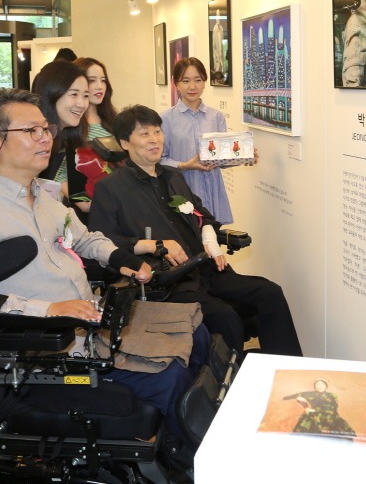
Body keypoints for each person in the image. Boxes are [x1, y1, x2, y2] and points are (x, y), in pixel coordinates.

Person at [0, 89, 207, 464]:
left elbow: (85, 238)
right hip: (46, 350)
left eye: (45, 129)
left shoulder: (43, 198)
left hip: (90, 325)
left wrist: (123, 259)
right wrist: (47, 309)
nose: (45, 138)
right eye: (31, 131)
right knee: (170, 377)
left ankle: (182, 445)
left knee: (196, 329)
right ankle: (182, 460)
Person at [89, 105, 302, 358]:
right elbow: (102, 243)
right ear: (125, 142)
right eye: (144, 134)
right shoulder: (111, 188)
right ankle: (229, 379)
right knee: (225, 316)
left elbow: (203, 216)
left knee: (269, 293)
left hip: (204, 268)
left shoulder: (173, 176)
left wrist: (211, 241)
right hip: (167, 281)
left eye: (157, 132)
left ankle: (282, 369)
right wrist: (153, 244)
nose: (154, 139)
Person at [161, 57, 256, 225]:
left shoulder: (216, 117)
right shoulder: (165, 119)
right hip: (181, 188)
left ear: (204, 82)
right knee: (186, 236)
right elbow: (160, 160)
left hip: (211, 188)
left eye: (198, 80)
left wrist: (243, 157)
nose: (192, 86)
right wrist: (184, 165)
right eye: (186, 81)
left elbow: (220, 158)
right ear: (176, 84)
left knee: (212, 236)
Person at [32, 60, 106, 221]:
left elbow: (82, 198)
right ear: (52, 94)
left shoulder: (72, 142)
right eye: (74, 94)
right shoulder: (32, 139)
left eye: (85, 96)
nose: (82, 104)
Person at [284, 379, 356, 438]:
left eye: (322, 384)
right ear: (315, 386)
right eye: (318, 384)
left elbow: (334, 407)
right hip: (314, 415)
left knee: (336, 437)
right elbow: (290, 397)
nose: (320, 386)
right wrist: (305, 406)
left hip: (330, 416)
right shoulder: (309, 394)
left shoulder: (332, 395)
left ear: (326, 386)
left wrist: (329, 418)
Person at [76, 57, 118, 137]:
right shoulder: (71, 121)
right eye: (92, 80)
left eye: (103, 80)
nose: (100, 87)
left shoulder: (113, 119)